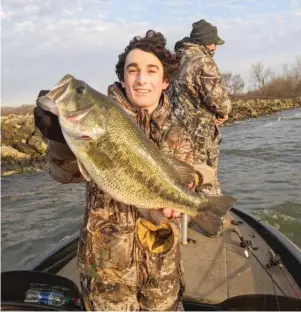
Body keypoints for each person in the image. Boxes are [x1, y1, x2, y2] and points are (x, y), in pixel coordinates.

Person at [34, 30, 216, 311]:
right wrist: (58, 141)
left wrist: (193, 193)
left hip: (162, 273)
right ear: (123, 78)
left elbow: (199, 175)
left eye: (151, 70)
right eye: (133, 70)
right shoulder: (100, 120)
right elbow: (64, 174)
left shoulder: (184, 129)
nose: (141, 79)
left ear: (165, 81)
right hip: (107, 276)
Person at [169, 19, 232, 196]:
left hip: (173, 133)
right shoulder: (203, 61)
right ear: (207, 42)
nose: (215, 48)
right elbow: (219, 100)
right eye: (214, 43)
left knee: (183, 177)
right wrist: (225, 112)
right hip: (199, 133)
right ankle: (211, 219)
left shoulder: (175, 60)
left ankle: (183, 217)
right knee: (206, 177)